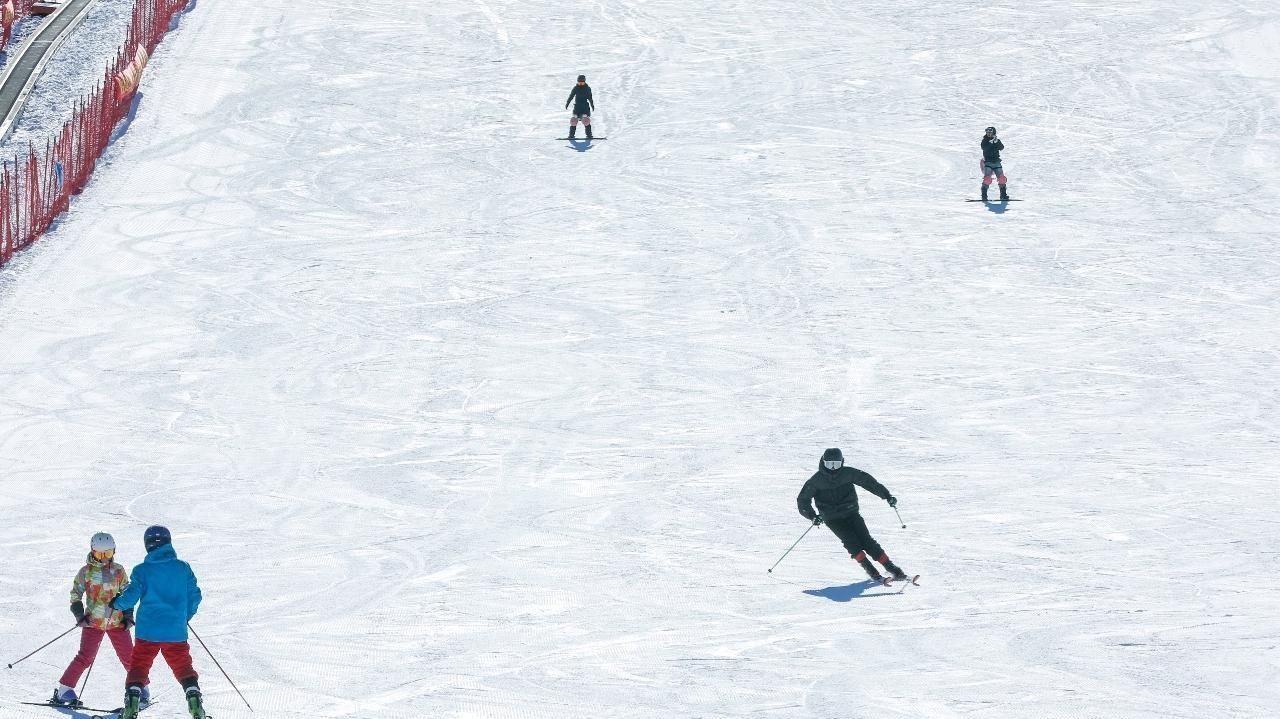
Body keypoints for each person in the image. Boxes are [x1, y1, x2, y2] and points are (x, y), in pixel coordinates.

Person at [110, 526, 205, 719]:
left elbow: (131, 597)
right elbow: (195, 595)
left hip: (148, 631)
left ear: (147, 545)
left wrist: (116, 602)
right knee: (183, 666)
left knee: (139, 666)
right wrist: (185, 616)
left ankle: (132, 702)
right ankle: (193, 697)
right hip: (175, 631)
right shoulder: (183, 568)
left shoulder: (142, 571)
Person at [51, 533, 144, 707]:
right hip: (92, 623)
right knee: (85, 657)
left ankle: (141, 689)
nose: (103, 559)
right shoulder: (85, 572)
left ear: (113, 551)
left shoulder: (119, 570)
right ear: (92, 552)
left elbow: (128, 594)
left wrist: (128, 616)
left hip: (117, 622)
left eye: (107, 554)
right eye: (100, 554)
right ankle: (64, 690)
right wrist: (80, 615)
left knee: (129, 657)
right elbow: (75, 595)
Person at [796, 448, 909, 583]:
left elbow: (868, 482)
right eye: (829, 464)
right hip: (832, 519)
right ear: (823, 462)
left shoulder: (848, 473)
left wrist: (886, 495)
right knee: (851, 542)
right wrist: (812, 516)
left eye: (836, 464)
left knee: (867, 541)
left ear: (842, 462)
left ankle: (892, 568)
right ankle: (871, 571)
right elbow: (803, 500)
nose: (832, 468)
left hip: (851, 513)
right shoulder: (816, 480)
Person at [980, 126, 1009, 202]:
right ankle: (984, 196)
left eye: (990, 132)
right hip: (988, 162)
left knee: (1002, 179)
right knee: (987, 179)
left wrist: (997, 142)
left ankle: (1003, 195)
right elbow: (984, 148)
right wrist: (990, 143)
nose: (988, 134)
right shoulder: (984, 141)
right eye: (987, 132)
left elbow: (1002, 148)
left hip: (996, 162)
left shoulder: (996, 140)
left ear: (993, 133)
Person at [564, 74, 595, 140]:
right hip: (577, 108)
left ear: (584, 82)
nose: (580, 83)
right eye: (579, 82)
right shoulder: (575, 88)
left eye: (582, 82)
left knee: (586, 121)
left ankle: (589, 135)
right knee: (573, 121)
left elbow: (590, 98)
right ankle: (571, 135)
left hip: (585, 108)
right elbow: (571, 96)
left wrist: (592, 105)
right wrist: (567, 103)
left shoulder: (587, 88)